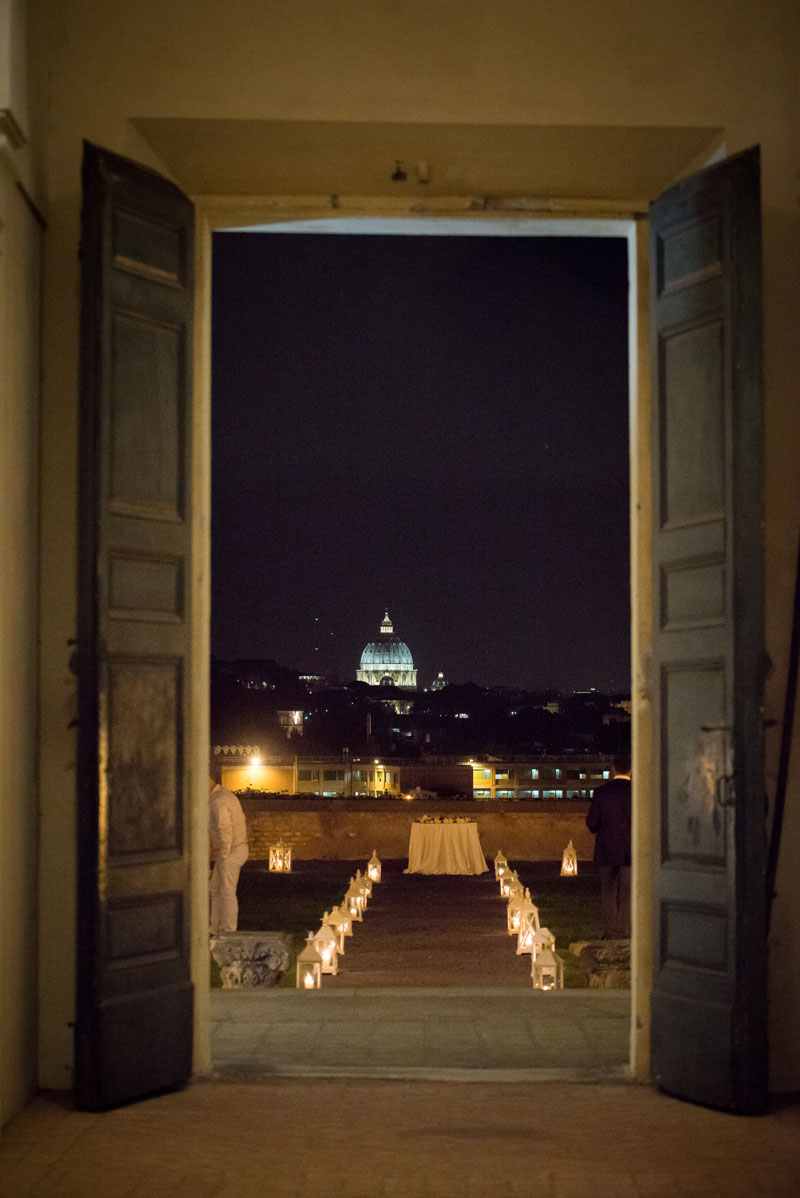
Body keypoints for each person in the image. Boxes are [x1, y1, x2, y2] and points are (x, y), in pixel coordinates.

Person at [585, 754, 632, 939]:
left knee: (608, 893)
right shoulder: (637, 791)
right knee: (627, 894)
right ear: (630, 769)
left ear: (613, 769)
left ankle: (611, 931)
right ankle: (625, 931)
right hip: (629, 850)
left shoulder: (601, 792)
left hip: (606, 850)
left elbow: (592, 824)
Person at [209, 776, 249, 935]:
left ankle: (227, 930)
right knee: (217, 889)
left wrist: (223, 854)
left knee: (225, 891)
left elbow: (224, 828)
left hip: (232, 850)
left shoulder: (217, 801)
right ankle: (217, 927)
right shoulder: (224, 795)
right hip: (235, 848)